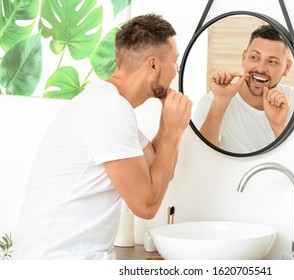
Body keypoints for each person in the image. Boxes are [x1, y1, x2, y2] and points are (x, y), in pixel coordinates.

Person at [13, 14, 192, 260]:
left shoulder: (106, 102)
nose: (177, 70)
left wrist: (168, 122)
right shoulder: (110, 110)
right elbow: (146, 205)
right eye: (175, 61)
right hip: (60, 263)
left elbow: (160, 170)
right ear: (153, 65)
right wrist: (173, 131)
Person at [193, 25, 294, 153]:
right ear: (244, 58)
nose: (260, 68)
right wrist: (220, 103)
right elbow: (201, 157)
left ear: (287, 67)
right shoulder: (211, 102)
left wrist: (279, 127)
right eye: (254, 57)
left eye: (272, 61)